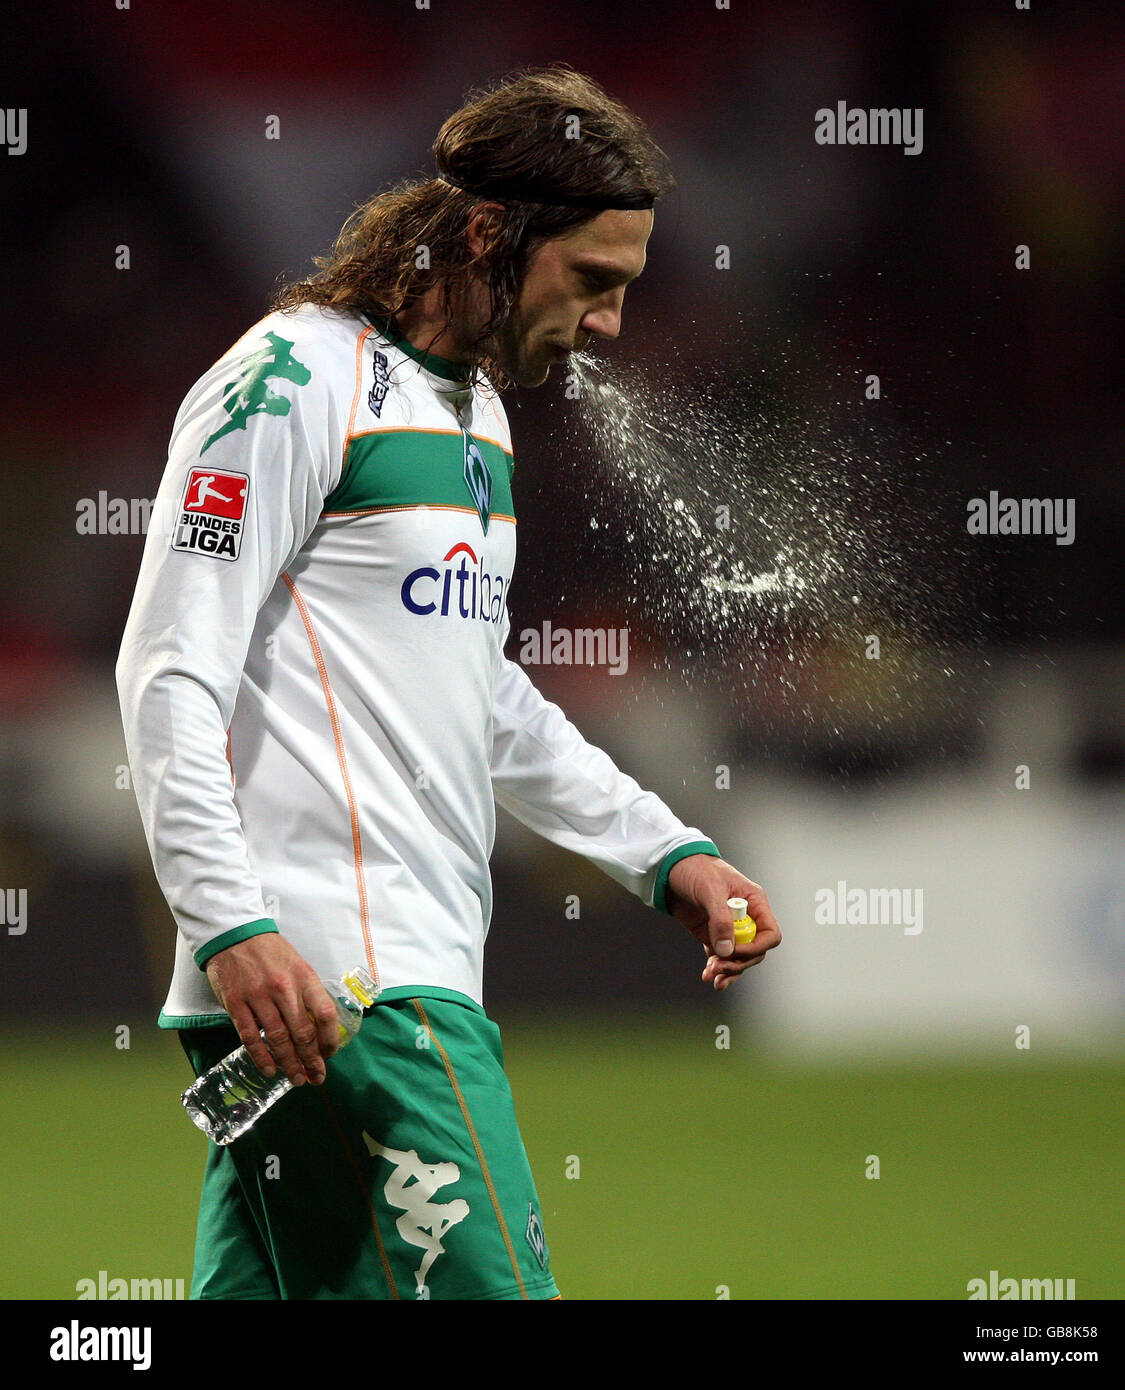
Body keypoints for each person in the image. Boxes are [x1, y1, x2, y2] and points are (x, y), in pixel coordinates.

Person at [116, 64, 781, 1302]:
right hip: (350, 995)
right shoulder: (293, 380)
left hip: (350, 998)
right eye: (590, 280)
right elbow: (168, 667)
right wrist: (231, 928)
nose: (606, 325)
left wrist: (661, 852)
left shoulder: (475, 417)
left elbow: (483, 695)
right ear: (488, 233)